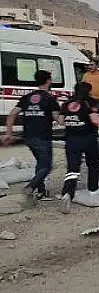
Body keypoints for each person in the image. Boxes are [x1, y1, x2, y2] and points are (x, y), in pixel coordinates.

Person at [58, 82, 99, 214]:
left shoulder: (67, 103)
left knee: (72, 169)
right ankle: (93, 188)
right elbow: (96, 120)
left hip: (71, 140)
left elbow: (60, 120)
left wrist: (73, 121)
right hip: (88, 138)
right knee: (93, 164)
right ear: (88, 91)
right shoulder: (89, 102)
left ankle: (67, 193)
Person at [2, 70, 59, 206]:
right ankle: (31, 187)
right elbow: (58, 118)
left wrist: (9, 133)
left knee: (40, 163)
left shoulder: (27, 98)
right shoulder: (50, 99)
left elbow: (11, 115)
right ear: (48, 81)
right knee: (47, 166)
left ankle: (41, 191)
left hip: (28, 137)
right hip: (43, 136)